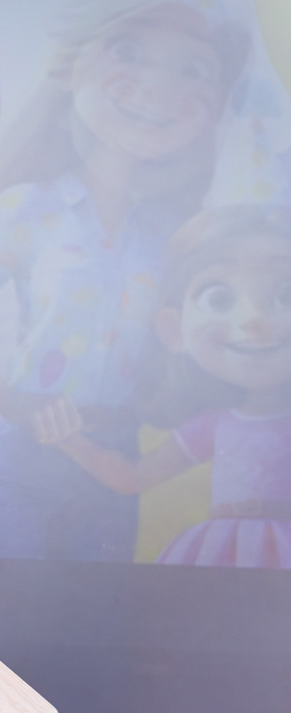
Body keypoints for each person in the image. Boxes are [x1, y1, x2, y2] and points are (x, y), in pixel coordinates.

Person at [0, 0, 247, 561]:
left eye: (191, 70)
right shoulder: (30, 209)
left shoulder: (171, 233)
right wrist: (13, 401)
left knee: (98, 601)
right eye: (131, 52)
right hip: (28, 443)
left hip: (115, 452)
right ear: (71, 68)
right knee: (5, 597)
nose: (158, 88)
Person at [41, 205, 291, 568]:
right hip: (220, 552)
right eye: (219, 298)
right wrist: (71, 440)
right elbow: (133, 477)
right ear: (174, 330)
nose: (254, 320)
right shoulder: (214, 424)